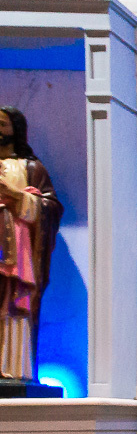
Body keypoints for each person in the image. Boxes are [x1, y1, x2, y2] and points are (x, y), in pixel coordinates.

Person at [0, 106, 62, 382]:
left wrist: (17, 197)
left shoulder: (31, 168)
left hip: (16, 254)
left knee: (13, 305)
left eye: (2, 124)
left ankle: (13, 368)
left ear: (15, 128)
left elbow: (51, 208)